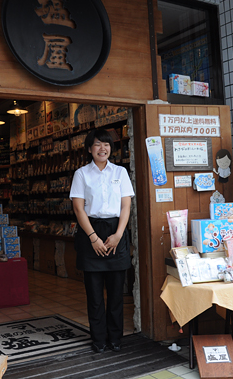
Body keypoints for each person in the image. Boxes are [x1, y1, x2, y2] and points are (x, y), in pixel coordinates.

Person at [69, 128, 135, 353]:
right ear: (89, 149)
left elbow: (126, 206)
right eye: (97, 144)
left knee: (116, 294)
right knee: (95, 296)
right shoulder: (81, 174)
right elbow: (79, 209)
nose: (102, 148)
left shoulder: (120, 172)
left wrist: (118, 234)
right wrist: (93, 238)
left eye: (106, 144)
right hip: (91, 230)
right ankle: (98, 340)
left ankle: (115, 339)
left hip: (117, 230)